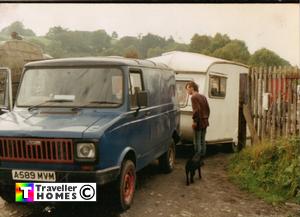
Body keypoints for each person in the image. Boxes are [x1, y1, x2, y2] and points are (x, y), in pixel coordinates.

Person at [185, 81, 210, 157]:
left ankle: (197, 158)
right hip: (205, 121)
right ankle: (202, 157)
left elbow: (196, 110)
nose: (187, 91)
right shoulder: (203, 97)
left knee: (197, 141)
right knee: (203, 140)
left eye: (187, 89)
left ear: (192, 88)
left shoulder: (193, 97)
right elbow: (208, 109)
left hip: (199, 122)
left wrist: (195, 121)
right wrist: (205, 117)